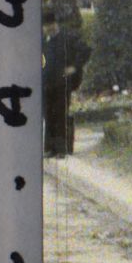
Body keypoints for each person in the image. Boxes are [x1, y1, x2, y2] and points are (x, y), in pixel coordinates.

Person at [41, 10, 92, 158]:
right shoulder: (43, 41)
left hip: (62, 84)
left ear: (55, 24)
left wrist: (74, 67)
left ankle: (62, 149)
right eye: (46, 26)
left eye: (51, 25)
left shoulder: (68, 38)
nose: (49, 28)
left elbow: (86, 50)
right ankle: (49, 148)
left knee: (60, 115)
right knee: (48, 115)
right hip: (46, 84)